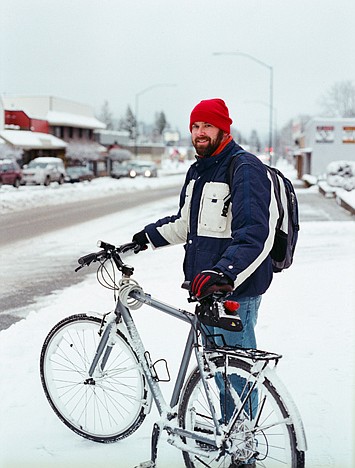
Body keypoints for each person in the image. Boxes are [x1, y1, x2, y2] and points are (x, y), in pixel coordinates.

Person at [132, 98, 278, 466]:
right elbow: (187, 224)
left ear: (223, 129)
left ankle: (242, 445)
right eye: (195, 126)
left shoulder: (244, 168)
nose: (199, 132)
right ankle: (227, 433)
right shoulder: (198, 171)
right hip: (205, 290)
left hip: (235, 290)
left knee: (237, 373)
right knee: (217, 371)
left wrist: (223, 274)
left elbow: (253, 234)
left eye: (207, 126)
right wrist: (144, 238)